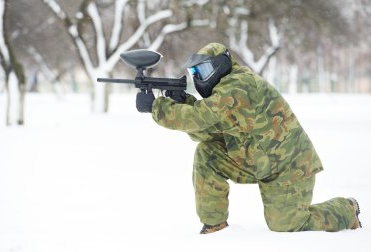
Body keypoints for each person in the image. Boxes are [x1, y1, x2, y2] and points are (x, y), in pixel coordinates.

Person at [135, 42, 362, 234]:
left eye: (202, 72)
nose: (198, 78)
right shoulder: (223, 92)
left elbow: (203, 116)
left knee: (287, 226)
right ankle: (215, 225)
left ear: (220, 66)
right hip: (255, 160)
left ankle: (347, 209)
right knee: (208, 153)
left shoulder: (240, 84)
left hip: (289, 166)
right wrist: (183, 103)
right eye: (194, 73)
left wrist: (158, 107)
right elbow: (209, 130)